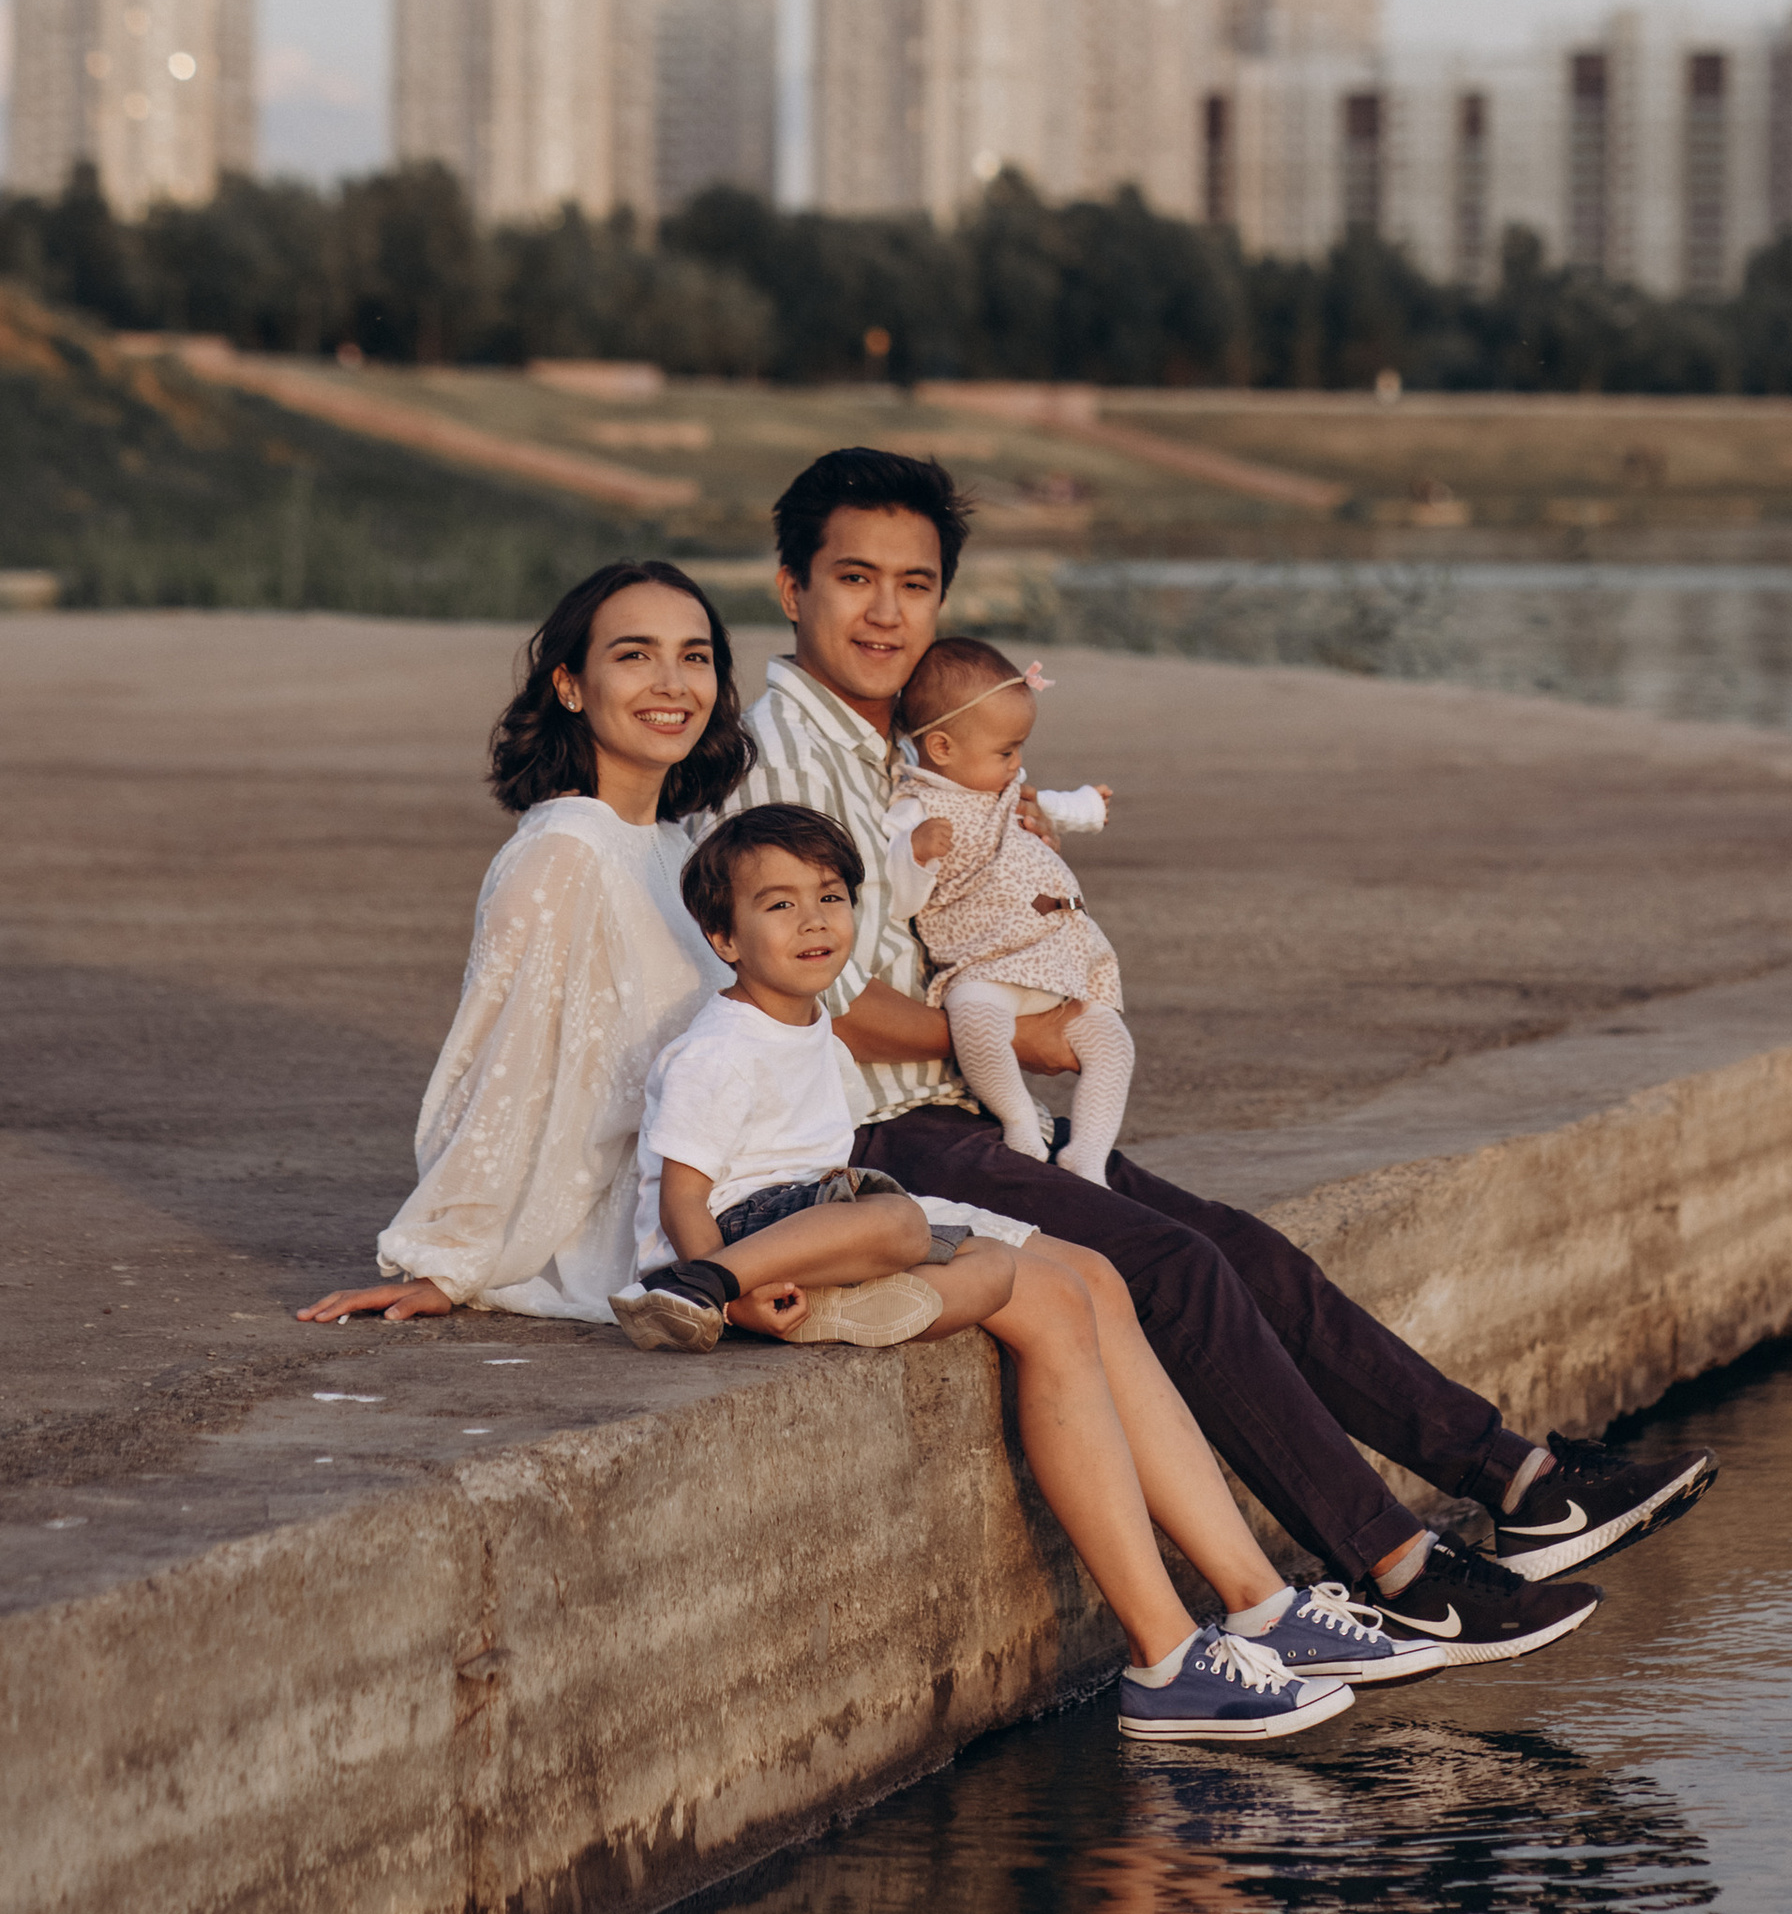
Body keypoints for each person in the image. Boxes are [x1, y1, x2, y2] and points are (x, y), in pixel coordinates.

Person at [293, 582, 1434, 1741]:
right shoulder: (561, 850)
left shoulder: (678, 840)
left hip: (780, 1185)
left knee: (1092, 1276)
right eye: (634, 656)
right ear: (570, 684)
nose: (672, 682)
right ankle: (1166, 1654)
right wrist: (450, 1256)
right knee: (1051, 1294)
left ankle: (1259, 1605)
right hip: (693, 1220)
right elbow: (500, 1065)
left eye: (694, 656)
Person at [696, 448, 1719, 1664]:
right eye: (854, 578)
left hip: (954, 1107)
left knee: (1243, 1249)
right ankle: (1399, 1570)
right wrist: (1023, 1035)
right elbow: (825, 994)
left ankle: (1522, 1484)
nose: (884, 612)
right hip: (877, 1133)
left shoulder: (903, 743)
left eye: (913, 585)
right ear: (791, 588)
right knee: (1177, 1269)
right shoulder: (781, 759)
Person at [887, 636, 1135, 1182]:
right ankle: (1019, 1118)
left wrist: (1087, 806)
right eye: (1006, 752)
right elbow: (898, 897)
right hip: (985, 964)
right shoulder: (916, 808)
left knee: (1112, 1042)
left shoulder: (1003, 787)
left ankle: (1088, 1154)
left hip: (1056, 957)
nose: (1017, 764)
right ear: (942, 747)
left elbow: (1050, 806)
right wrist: (916, 855)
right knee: (974, 1020)